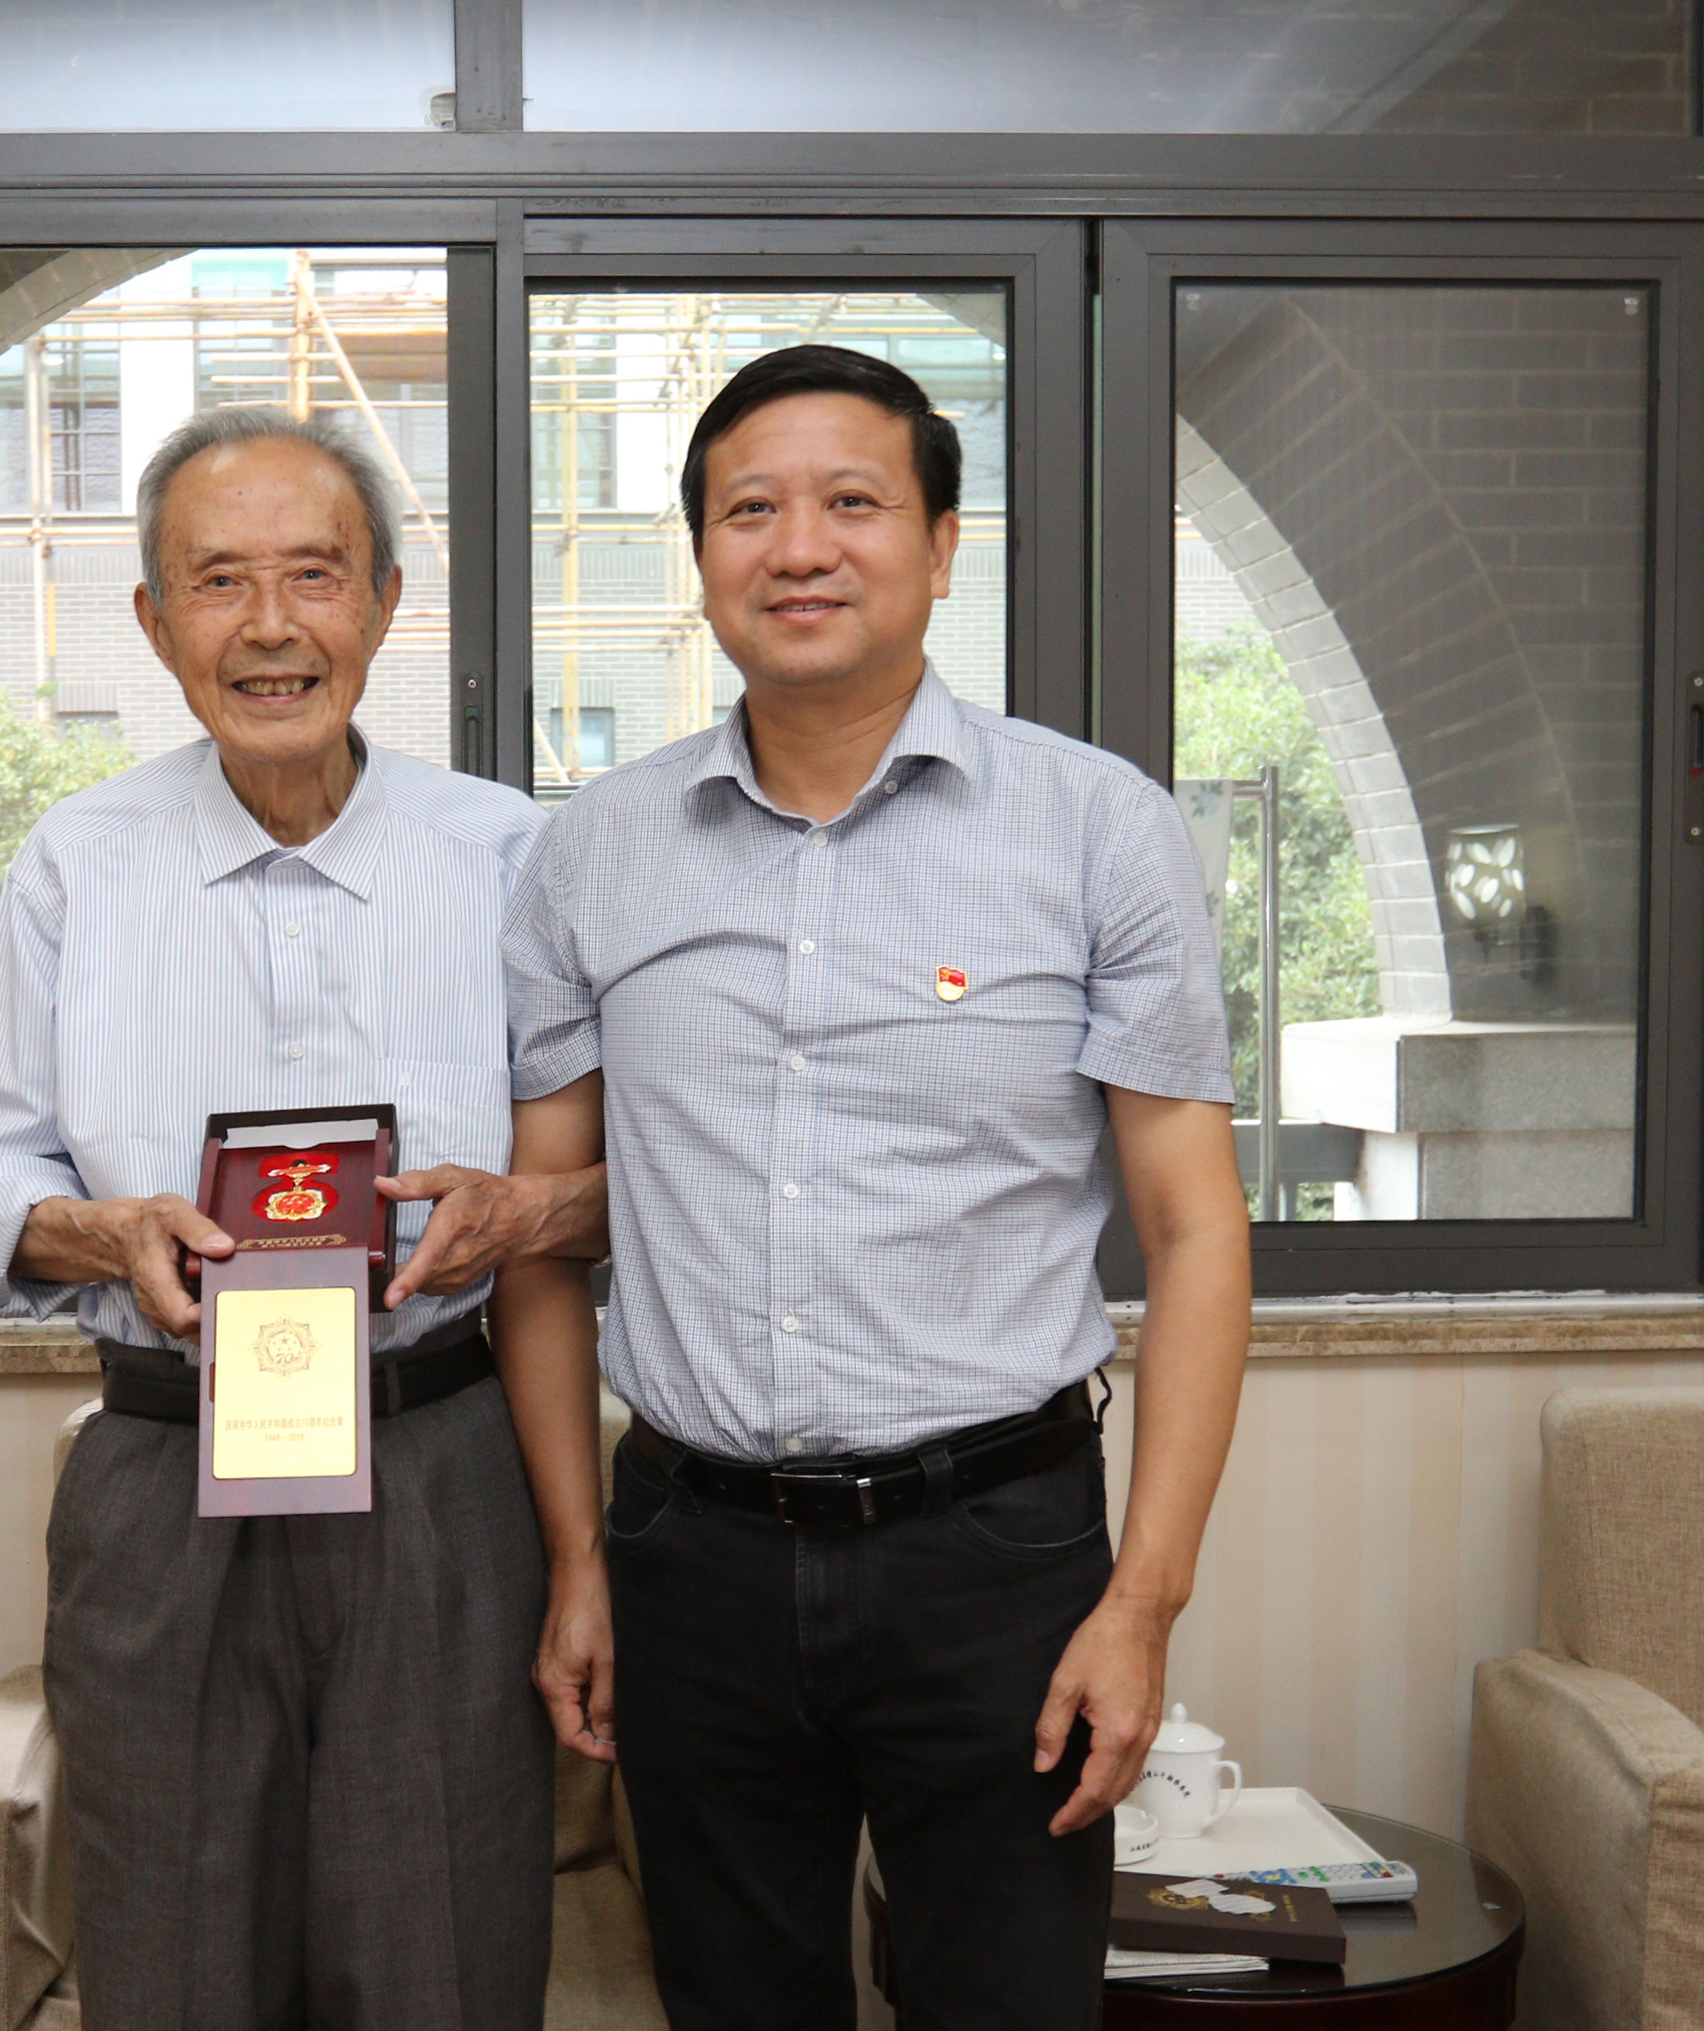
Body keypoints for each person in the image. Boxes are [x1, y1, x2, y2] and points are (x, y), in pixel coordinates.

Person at [498, 345, 1254, 2031]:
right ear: (703, 555)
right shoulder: (594, 853)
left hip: (997, 1553)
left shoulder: (1095, 830)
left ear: (942, 543)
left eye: (852, 502)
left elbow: (1198, 1230)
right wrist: (577, 1559)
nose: (799, 548)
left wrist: (1142, 1603)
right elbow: (542, 1244)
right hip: (692, 1554)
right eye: (748, 511)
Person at [0, 406, 610, 2031]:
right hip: (165, 1469)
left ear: (383, 601)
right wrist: (107, 1234)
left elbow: (623, 1188)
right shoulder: (77, 864)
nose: (271, 626)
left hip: (442, 1463)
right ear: (154, 621)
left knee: (446, 1955)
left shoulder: (509, 856)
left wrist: (525, 1211)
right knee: (170, 1959)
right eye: (219, 581)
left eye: (313, 574)